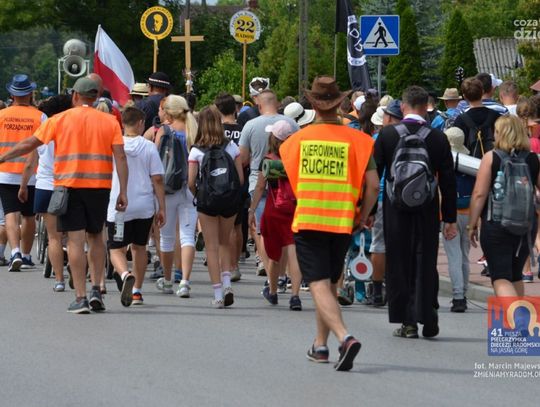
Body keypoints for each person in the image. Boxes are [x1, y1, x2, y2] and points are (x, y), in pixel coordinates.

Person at [0, 77, 128, 314]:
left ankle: (80, 297)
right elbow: (120, 156)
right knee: (96, 238)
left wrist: (4, 157)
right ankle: (96, 289)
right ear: (95, 97)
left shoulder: (59, 120)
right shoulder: (110, 121)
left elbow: (30, 144)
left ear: (75, 96)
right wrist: (123, 191)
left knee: (75, 241)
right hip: (100, 187)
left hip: (69, 187)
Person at [280, 76, 379, 371]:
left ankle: (344, 337)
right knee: (329, 284)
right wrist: (364, 215)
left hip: (310, 219)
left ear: (313, 105)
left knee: (318, 283)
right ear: (340, 104)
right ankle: (320, 345)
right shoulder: (360, 141)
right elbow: (373, 186)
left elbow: (293, 182)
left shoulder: (296, 142)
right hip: (343, 221)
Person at [375, 85, 457, 339]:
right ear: (426, 107)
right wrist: (450, 218)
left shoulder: (387, 135)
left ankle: (407, 321)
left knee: (399, 261)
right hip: (427, 208)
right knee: (425, 261)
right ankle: (428, 313)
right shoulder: (437, 138)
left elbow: (375, 176)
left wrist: (367, 211)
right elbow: (448, 181)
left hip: (395, 208)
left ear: (403, 107)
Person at [468, 115, 540, 298]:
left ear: (500, 133)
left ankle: (515, 315)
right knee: (516, 276)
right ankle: (520, 315)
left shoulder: (491, 157)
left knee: (500, 277)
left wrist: (472, 224)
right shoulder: (533, 159)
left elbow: (479, 194)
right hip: (526, 226)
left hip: (496, 225)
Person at [107, 106, 165, 306]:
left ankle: (125, 274)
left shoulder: (115, 145)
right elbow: (157, 179)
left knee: (116, 248)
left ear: (123, 124)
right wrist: (162, 207)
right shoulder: (149, 147)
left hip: (119, 205)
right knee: (140, 247)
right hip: (144, 205)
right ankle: (137, 291)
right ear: (141, 123)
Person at [187, 106, 244, 308]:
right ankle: (228, 284)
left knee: (211, 247)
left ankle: (218, 294)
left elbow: (191, 182)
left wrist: (199, 194)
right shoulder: (232, 147)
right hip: (229, 201)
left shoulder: (196, 150)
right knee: (224, 243)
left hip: (207, 201)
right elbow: (240, 178)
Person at [239, 90, 299, 278]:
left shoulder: (250, 125)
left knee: (262, 231)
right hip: (286, 186)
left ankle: (266, 267)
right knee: (286, 233)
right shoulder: (291, 124)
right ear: (278, 103)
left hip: (258, 181)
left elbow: (243, 158)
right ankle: (284, 273)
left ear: (259, 105)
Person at [19, 95, 72, 292]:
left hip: (45, 186)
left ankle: (59, 279)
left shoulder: (42, 130)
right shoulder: (72, 130)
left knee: (53, 237)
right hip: (69, 185)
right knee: (75, 236)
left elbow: (30, 163)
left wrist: (24, 186)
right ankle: (76, 268)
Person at [249, 120, 303, 310]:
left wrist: (251, 210)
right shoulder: (298, 158)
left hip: (274, 209)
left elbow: (260, 187)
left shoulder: (269, 160)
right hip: (295, 207)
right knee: (293, 251)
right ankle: (295, 296)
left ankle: (272, 291)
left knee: (274, 254)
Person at [154, 95, 198, 298]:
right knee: (187, 236)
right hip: (190, 188)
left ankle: (167, 280)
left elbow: (156, 160)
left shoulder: (164, 130)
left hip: (168, 188)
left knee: (167, 237)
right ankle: (185, 282)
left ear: (169, 113)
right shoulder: (194, 129)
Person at [0, 74, 45, 272]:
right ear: (30, 93)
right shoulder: (40, 116)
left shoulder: (2, 115)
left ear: (12, 94)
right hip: (32, 174)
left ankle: (14, 252)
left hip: (5, 172)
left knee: (10, 213)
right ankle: (26, 256)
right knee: (28, 215)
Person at [215, 93, 248, 282]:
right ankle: (235, 265)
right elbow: (246, 157)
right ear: (235, 109)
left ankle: (223, 265)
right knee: (236, 226)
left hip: (217, 180)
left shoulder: (216, 131)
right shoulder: (243, 129)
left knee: (219, 226)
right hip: (238, 179)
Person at [442, 127, 474, 312]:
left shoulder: (445, 162)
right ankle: (464, 292)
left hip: (450, 214)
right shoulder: (470, 164)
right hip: (469, 213)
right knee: (464, 256)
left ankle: (458, 296)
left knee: (454, 256)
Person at [454, 78, 500, 158]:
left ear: (464, 96)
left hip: (469, 162)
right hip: (494, 160)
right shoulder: (496, 116)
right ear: (482, 92)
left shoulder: (460, 120)